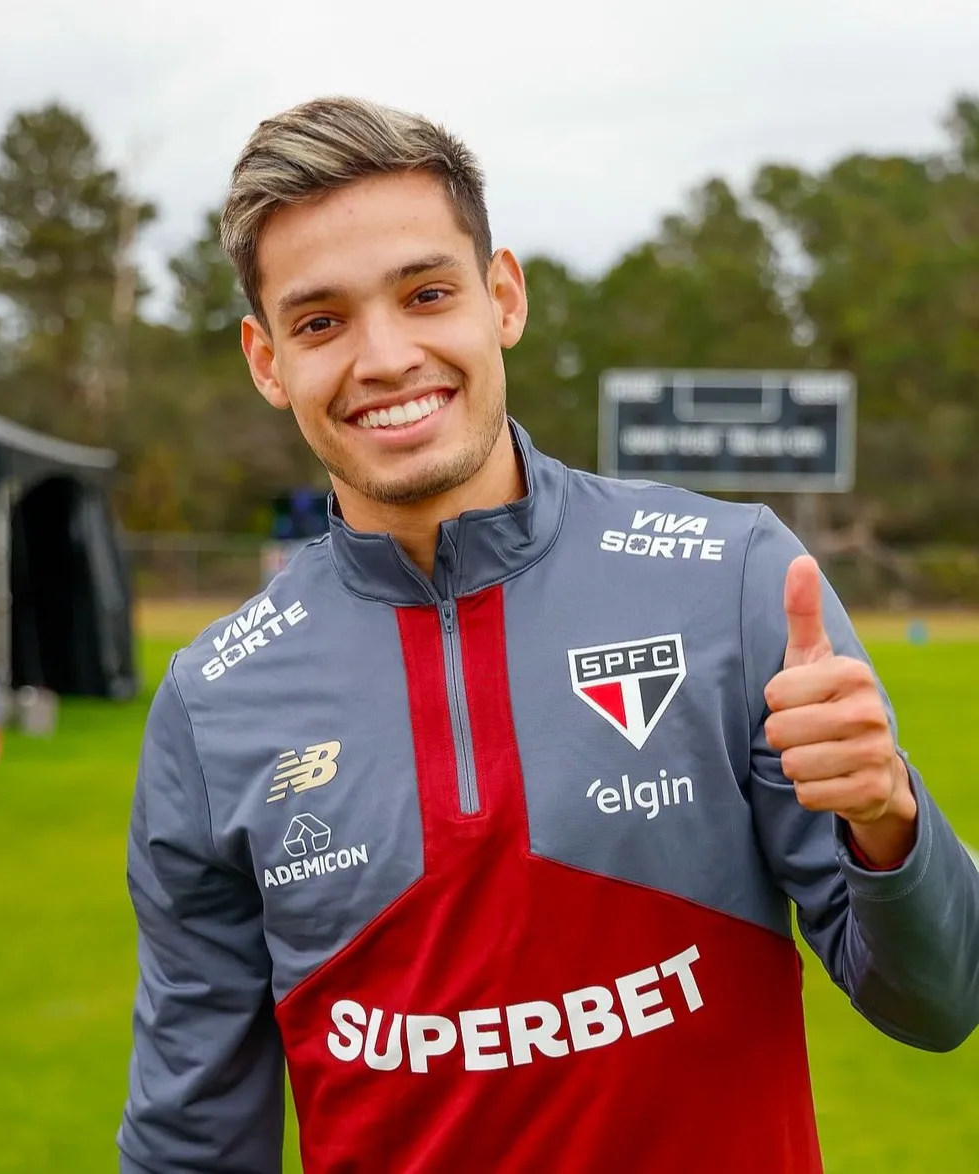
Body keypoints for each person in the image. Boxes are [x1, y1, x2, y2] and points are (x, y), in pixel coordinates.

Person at [118, 97, 979, 1174]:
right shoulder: (213, 706)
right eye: (322, 321)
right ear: (265, 359)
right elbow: (193, 1135)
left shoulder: (735, 579)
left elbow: (940, 1001)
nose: (385, 357)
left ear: (503, 297)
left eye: (426, 293)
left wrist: (886, 817)